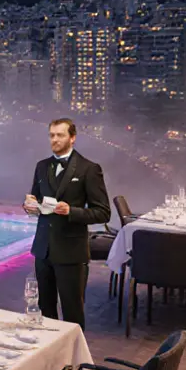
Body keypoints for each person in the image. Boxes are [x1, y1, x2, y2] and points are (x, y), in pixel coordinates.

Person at [23, 118, 110, 327]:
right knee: (44, 311)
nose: (54, 139)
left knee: (73, 313)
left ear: (72, 138)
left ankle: (75, 350)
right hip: (43, 250)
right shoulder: (42, 166)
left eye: (60, 135)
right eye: (51, 135)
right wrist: (29, 206)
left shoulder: (89, 169)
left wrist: (71, 211)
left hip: (71, 252)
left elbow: (103, 212)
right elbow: (35, 199)